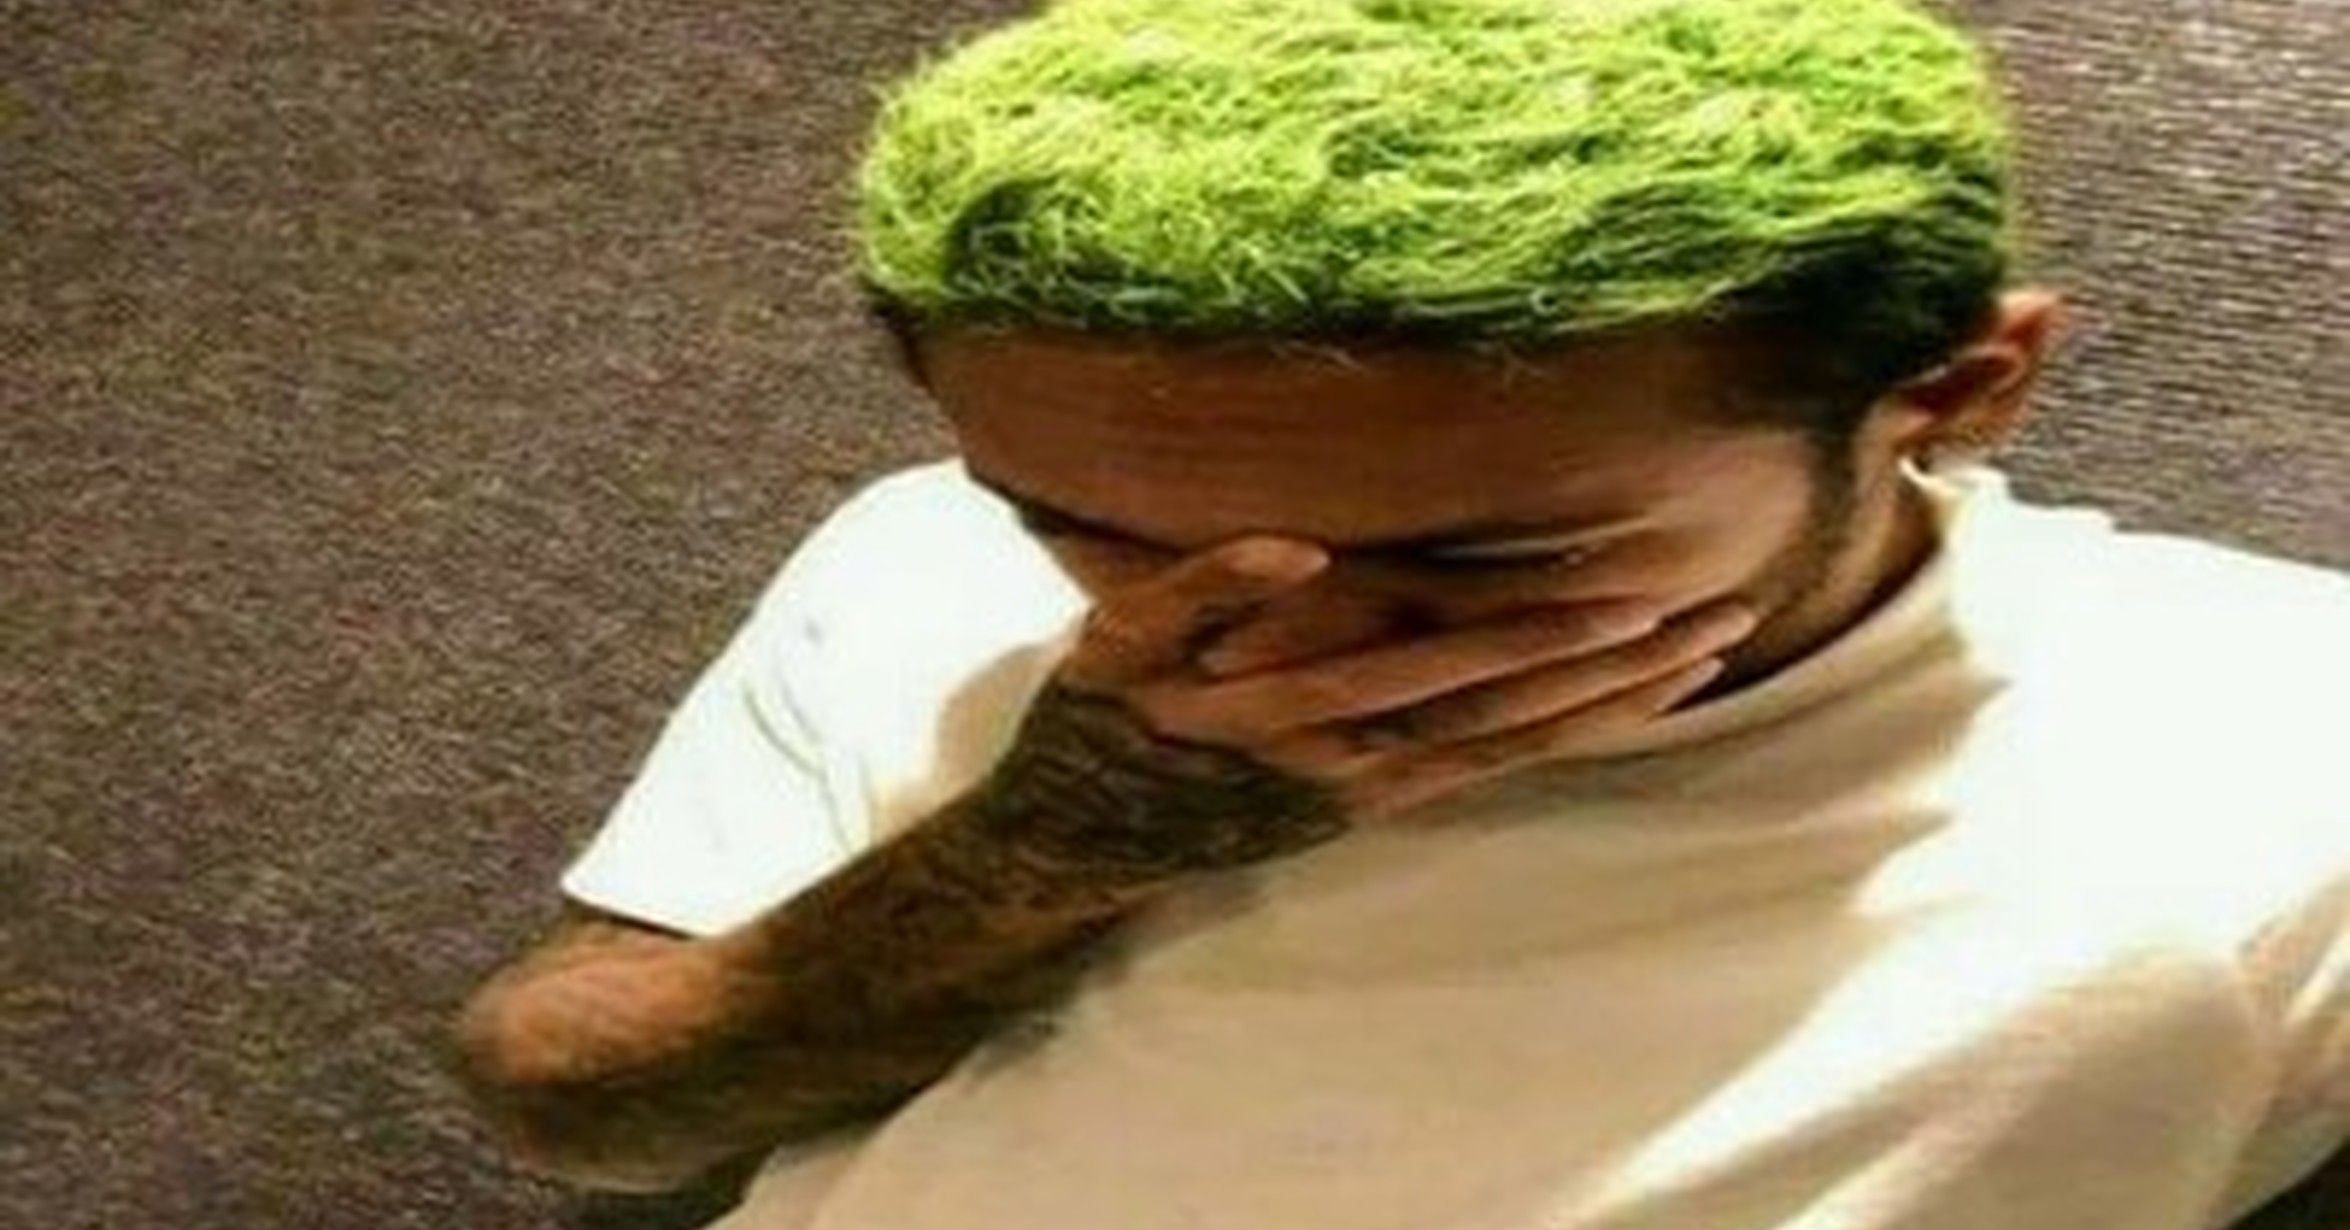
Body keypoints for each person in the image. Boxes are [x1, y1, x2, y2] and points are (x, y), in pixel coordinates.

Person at [451, 1, 2350, 1226]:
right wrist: (1050, 845)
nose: (1271, 633)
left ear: (1954, 387)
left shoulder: (2280, 743)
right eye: (1091, 529)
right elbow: (577, 1106)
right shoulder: (927, 556)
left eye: (1491, 559)